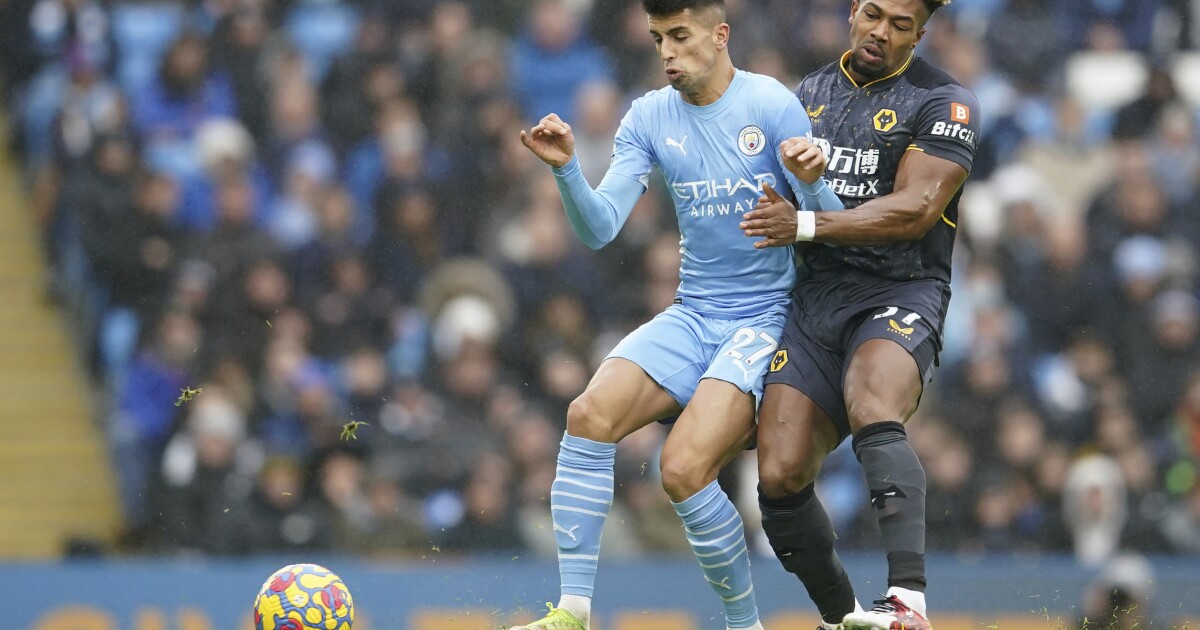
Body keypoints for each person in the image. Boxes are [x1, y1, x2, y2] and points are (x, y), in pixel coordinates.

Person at [512, 1, 842, 628]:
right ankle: (573, 611)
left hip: (766, 318)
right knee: (586, 415)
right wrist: (566, 174)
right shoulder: (648, 116)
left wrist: (815, 182)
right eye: (658, 38)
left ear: (720, 37)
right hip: (693, 314)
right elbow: (601, 227)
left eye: (680, 36)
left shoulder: (771, 105)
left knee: (683, 468)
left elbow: (826, 229)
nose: (667, 51)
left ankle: (743, 625)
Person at [737, 1, 979, 629]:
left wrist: (806, 223)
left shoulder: (944, 101)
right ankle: (841, 616)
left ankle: (908, 603)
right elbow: (772, 196)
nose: (882, 31)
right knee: (780, 471)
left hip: (900, 289)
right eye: (873, 13)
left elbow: (915, 210)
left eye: (901, 24)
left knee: (873, 399)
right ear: (852, 11)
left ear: (920, 34)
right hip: (816, 300)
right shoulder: (809, 92)